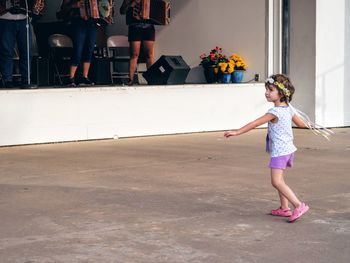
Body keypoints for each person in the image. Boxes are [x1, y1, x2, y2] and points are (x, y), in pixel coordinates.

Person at [224, 74, 310, 223]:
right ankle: (284, 208)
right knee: (280, 179)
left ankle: (298, 205)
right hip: (289, 150)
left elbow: (255, 123)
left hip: (280, 152)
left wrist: (237, 132)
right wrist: (311, 126)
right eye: (266, 89)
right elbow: (301, 124)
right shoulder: (289, 109)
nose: (267, 92)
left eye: (270, 90)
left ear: (281, 93)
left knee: (276, 182)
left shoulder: (274, 112)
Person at [0, 0, 44, 89]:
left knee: (26, 51)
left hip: (24, 19)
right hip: (5, 19)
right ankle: (7, 79)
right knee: (6, 51)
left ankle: (26, 79)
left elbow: (35, 8)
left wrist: (37, 8)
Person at [58, 0, 99, 87]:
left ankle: (85, 76)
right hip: (78, 23)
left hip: (92, 23)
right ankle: (71, 77)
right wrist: (74, 5)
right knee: (78, 50)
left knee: (89, 49)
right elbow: (62, 11)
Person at [120, 0, 155, 85]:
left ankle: (152, 79)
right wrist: (132, 4)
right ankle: (131, 79)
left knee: (149, 54)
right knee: (134, 54)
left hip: (149, 26)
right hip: (135, 27)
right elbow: (122, 11)